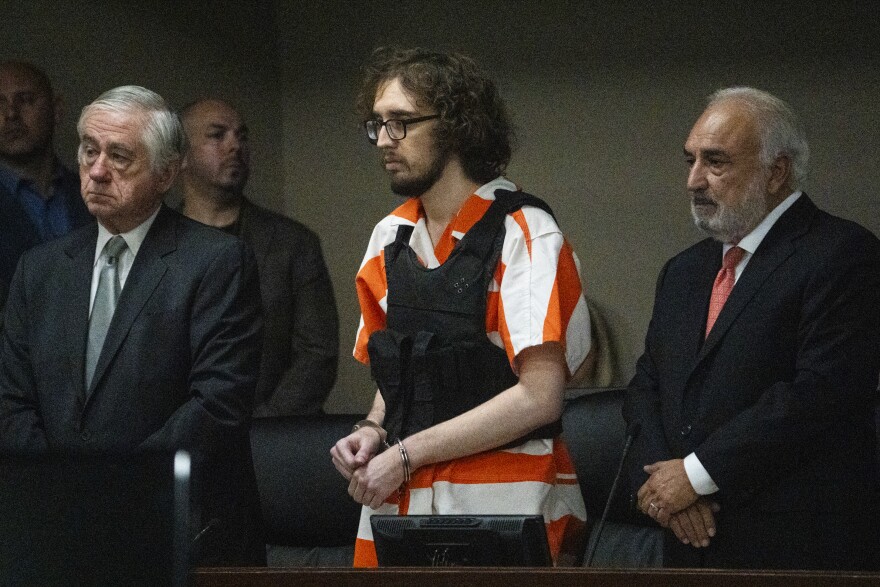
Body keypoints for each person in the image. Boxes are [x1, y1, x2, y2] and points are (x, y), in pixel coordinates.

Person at [330, 47, 592, 567]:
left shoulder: (525, 231)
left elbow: (541, 398)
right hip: (399, 503)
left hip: (506, 504)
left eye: (401, 123)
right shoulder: (389, 236)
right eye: (377, 124)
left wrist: (405, 455)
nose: (383, 140)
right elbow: (399, 375)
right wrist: (373, 431)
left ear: (456, 127)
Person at [0, 85, 266, 566]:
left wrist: (115, 491)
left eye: (119, 156)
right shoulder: (39, 269)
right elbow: (12, 398)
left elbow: (217, 403)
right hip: (57, 529)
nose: (97, 170)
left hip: (179, 529)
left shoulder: (216, 261)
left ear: (166, 174)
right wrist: (54, 489)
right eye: (88, 151)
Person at [623, 87, 880, 570]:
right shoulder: (683, 271)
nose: (693, 180)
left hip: (796, 548)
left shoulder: (842, 253)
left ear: (776, 171)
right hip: (687, 542)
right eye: (690, 160)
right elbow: (646, 387)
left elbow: (822, 392)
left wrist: (696, 476)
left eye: (715, 162)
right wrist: (666, 487)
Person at [179, 98, 339, 416]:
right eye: (217, 135)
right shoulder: (158, 246)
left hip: (272, 436)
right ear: (180, 156)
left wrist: (264, 428)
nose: (235, 146)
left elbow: (317, 353)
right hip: (178, 440)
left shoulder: (293, 243)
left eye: (241, 136)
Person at [0, 61, 92, 330]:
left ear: (57, 110)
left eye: (25, 100)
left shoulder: (95, 193)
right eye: (0, 103)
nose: (11, 114)